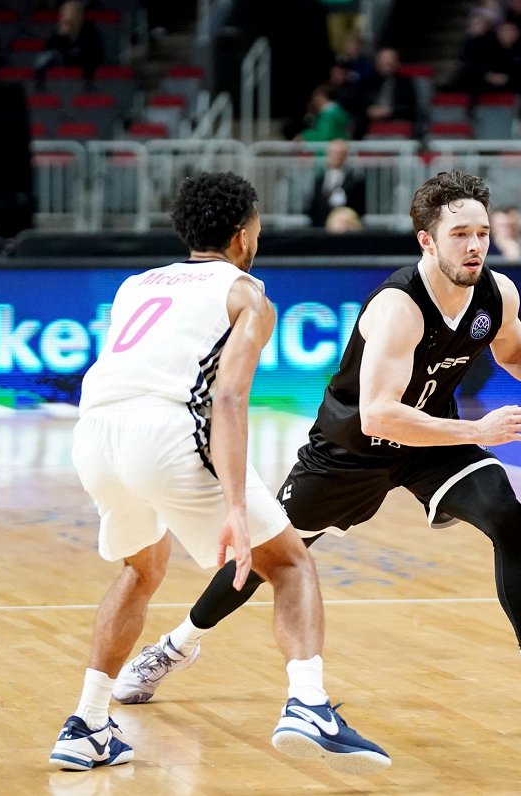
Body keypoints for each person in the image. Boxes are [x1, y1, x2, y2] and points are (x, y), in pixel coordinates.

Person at [113, 170, 521, 738]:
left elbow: (515, 350)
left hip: (428, 440)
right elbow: (377, 413)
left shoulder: (496, 293)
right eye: (460, 234)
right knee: (267, 560)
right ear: (427, 240)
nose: (476, 245)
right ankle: (177, 644)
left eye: (481, 232)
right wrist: (478, 430)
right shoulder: (398, 306)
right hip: (350, 451)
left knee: (508, 517)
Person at [49, 171, 389, 775]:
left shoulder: (137, 284)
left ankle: (87, 724)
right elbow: (227, 400)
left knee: (141, 569)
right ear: (242, 233)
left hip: (94, 434)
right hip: (166, 433)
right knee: (288, 562)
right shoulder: (247, 294)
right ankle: (309, 704)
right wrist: (234, 503)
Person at [35, 0, 105, 85]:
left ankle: (88, 83)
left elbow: (95, 48)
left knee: (90, 56)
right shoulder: (59, 29)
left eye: (70, 12)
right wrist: (60, 35)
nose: (66, 15)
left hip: (83, 58)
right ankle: (39, 83)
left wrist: (77, 47)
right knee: (43, 58)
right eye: (64, 12)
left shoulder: (90, 29)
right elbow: (50, 48)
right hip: (65, 57)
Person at [305, 138, 366, 226]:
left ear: (346, 155)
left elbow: (360, 209)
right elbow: (313, 205)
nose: (336, 156)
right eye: (333, 153)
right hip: (321, 230)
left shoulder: (355, 181)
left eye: (340, 153)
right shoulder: (319, 179)